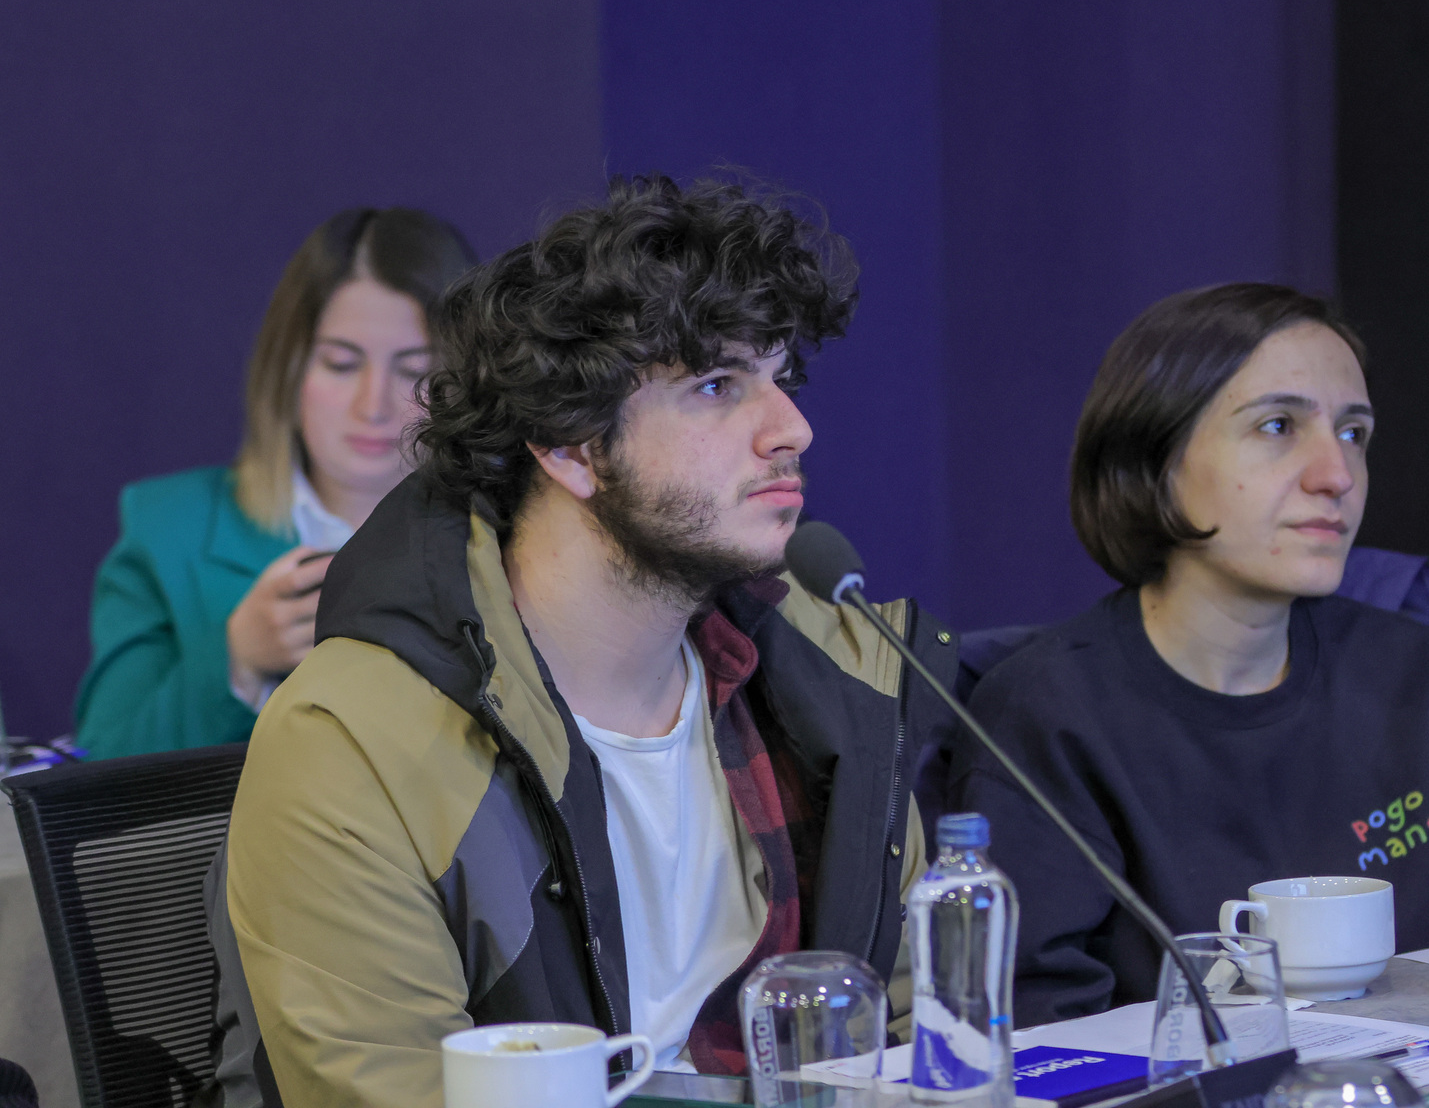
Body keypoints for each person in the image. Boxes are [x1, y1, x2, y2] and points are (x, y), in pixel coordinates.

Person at [205, 175, 954, 1108]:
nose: (791, 429)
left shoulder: (833, 682)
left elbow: (913, 1047)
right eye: (717, 385)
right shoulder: (353, 738)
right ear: (569, 445)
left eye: (781, 379)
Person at [949, 283, 1429, 1026]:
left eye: (1353, 433)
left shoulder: (1415, 669)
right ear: (1155, 461)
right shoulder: (1045, 713)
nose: (1337, 475)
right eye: (1278, 425)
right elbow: (1039, 1041)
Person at [74, 208, 476, 759]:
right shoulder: (167, 529)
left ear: (463, 382)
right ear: (285, 370)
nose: (373, 405)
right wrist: (237, 661)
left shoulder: (513, 536)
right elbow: (99, 774)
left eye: (415, 370)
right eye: (341, 364)